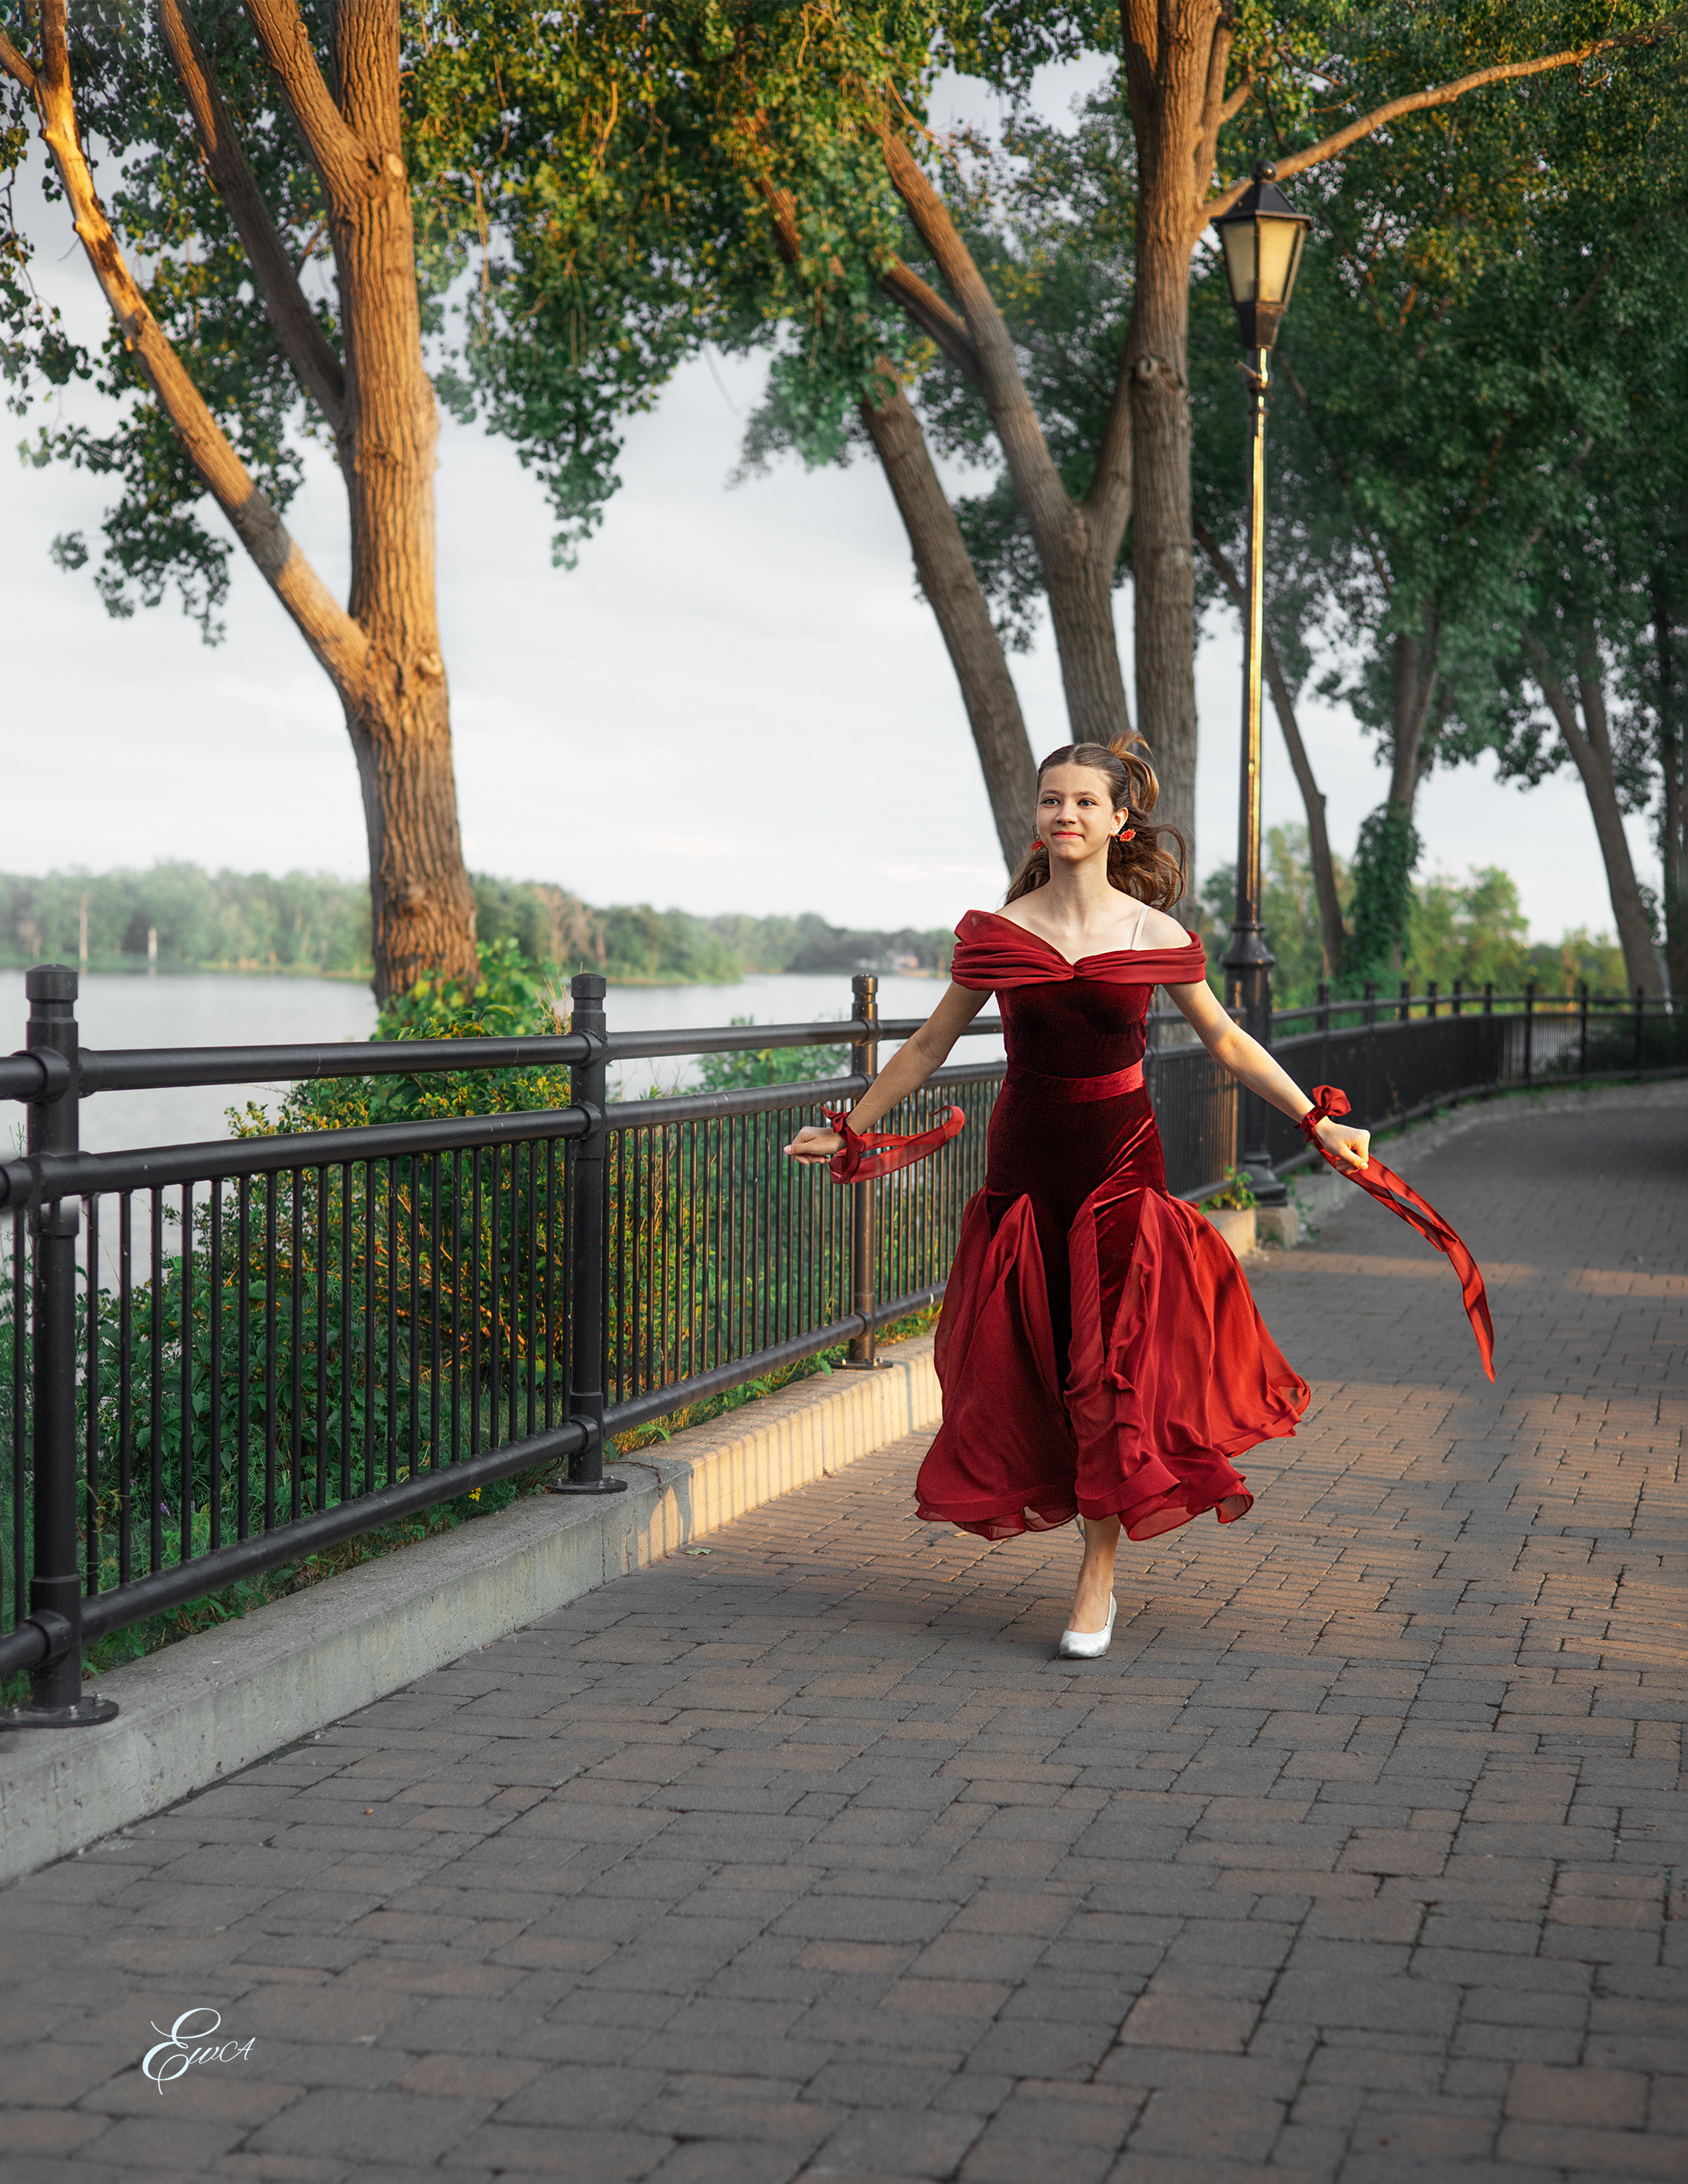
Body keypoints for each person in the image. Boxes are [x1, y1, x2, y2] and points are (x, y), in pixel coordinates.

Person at [784, 735, 1371, 1661]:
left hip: (1119, 1170)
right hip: (1024, 1172)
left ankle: (1096, 1572)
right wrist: (853, 1127)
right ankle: (1070, 1514)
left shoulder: (1156, 936)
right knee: (1035, 1366)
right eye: (1051, 801)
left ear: (1118, 821)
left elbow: (1224, 1040)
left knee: (1111, 1373)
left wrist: (1314, 1120)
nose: (1064, 815)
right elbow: (929, 1046)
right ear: (1038, 818)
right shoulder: (997, 932)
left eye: (1084, 802)